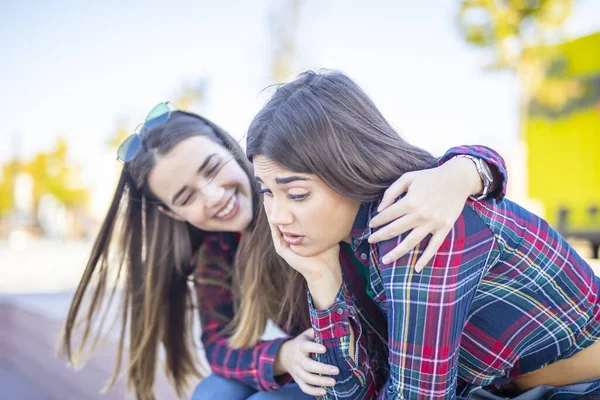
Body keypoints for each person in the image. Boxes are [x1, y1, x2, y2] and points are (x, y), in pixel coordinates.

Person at [59, 103, 508, 400]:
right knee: (214, 392)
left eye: (213, 168)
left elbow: (401, 166)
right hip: (331, 362)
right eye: (186, 197)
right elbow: (216, 343)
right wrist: (280, 356)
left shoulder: (306, 195)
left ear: (232, 150)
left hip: (394, 360)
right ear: (174, 215)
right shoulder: (217, 253)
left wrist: (464, 172)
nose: (213, 195)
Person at [244, 70, 600, 399]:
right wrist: (321, 279)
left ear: (347, 168)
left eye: (297, 194)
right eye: (267, 192)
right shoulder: (347, 244)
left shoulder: (416, 222)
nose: (277, 216)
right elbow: (354, 393)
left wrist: (468, 167)